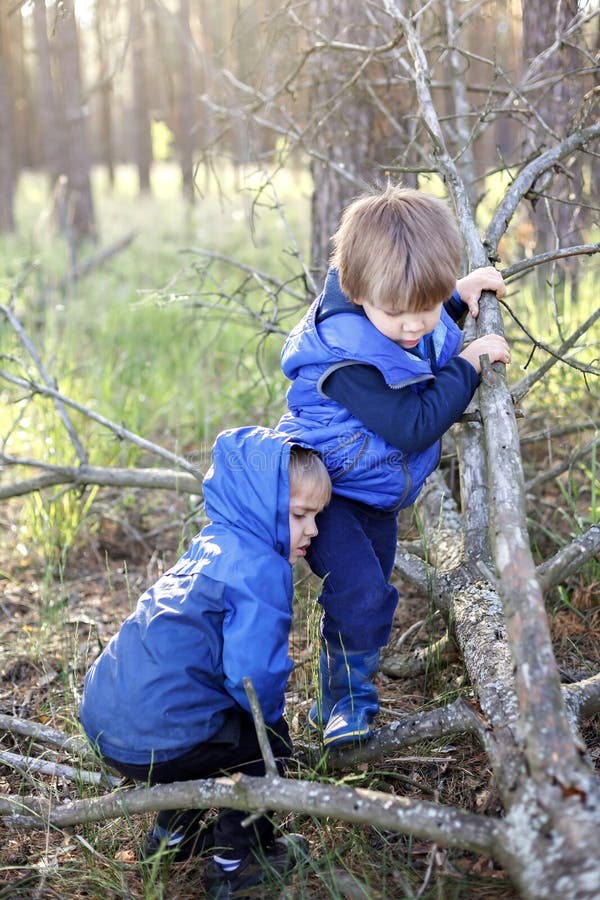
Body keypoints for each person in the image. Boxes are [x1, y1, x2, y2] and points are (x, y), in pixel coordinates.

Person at [277, 184, 510, 750]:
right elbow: (410, 424)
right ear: (358, 295)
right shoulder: (344, 358)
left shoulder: (394, 315)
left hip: (372, 489)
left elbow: (415, 329)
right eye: (399, 314)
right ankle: (350, 709)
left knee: (368, 593)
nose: (415, 327)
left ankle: (330, 702)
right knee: (361, 594)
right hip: (328, 493)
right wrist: (469, 367)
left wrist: (454, 299)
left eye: (425, 310)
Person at [79, 425, 331, 898]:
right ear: (260, 505)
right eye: (301, 515)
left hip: (108, 724)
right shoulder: (261, 569)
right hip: (161, 733)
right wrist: (271, 720)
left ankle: (171, 838)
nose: (313, 530)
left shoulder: (210, 544)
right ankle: (239, 860)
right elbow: (251, 677)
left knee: (203, 720)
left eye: (317, 516)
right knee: (263, 742)